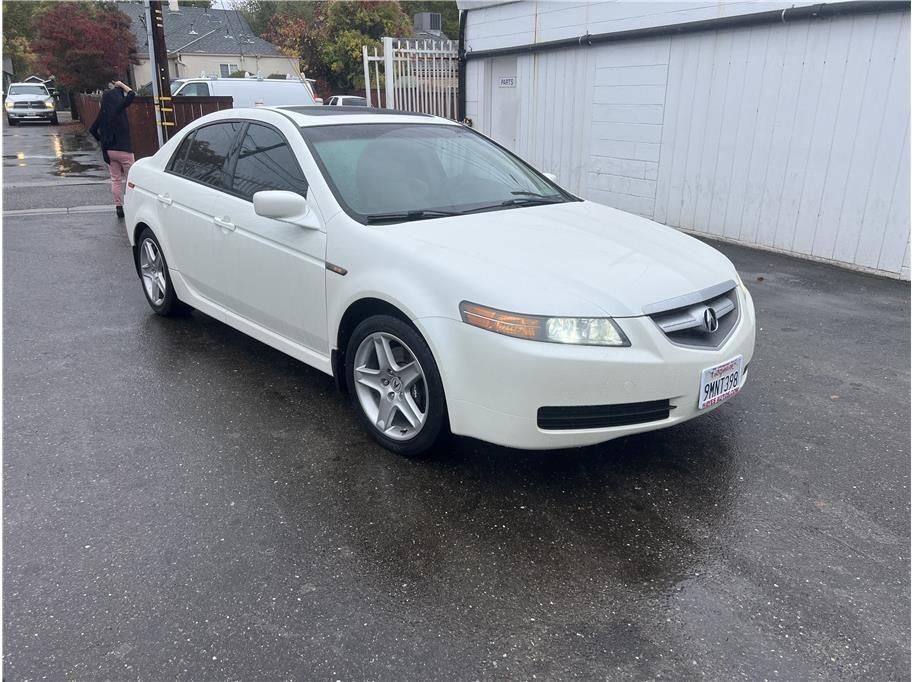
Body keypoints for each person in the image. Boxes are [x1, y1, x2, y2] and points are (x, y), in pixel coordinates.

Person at [89, 80, 136, 218]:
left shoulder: (102, 113)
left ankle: (118, 206)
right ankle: (132, 204)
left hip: (109, 151)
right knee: (130, 179)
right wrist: (121, 85)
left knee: (115, 179)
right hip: (124, 149)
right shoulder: (119, 108)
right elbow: (132, 94)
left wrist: (102, 140)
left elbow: (92, 130)